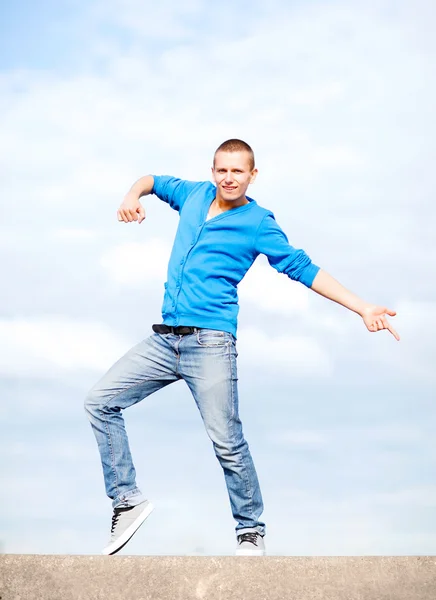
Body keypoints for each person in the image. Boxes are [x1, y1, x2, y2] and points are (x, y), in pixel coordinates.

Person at [85, 138, 400, 557]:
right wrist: (130, 195)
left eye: (238, 171)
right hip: (164, 340)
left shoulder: (257, 221)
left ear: (253, 175)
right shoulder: (193, 194)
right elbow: (152, 180)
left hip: (210, 343)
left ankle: (250, 530)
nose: (228, 178)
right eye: (222, 170)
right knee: (99, 401)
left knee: (227, 441)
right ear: (212, 171)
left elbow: (301, 267)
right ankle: (127, 499)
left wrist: (362, 307)